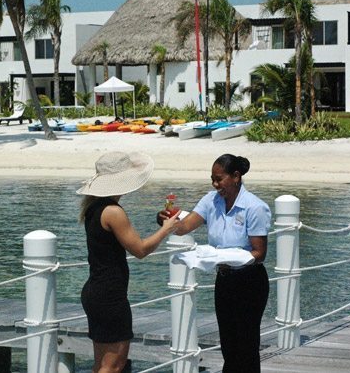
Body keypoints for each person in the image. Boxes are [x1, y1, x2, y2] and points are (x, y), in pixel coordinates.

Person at [157, 153, 271, 373]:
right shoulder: (211, 200)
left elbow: (259, 253)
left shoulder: (254, 207)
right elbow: (184, 227)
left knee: (246, 346)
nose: (215, 184)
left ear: (236, 176)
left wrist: (230, 257)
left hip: (250, 282)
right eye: (212, 179)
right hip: (224, 280)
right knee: (228, 345)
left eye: (219, 179)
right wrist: (165, 220)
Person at [77, 151, 180, 373]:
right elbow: (140, 250)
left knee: (102, 365)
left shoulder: (92, 208)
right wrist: (166, 230)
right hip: (109, 296)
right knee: (114, 366)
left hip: (96, 291)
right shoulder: (113, 211)